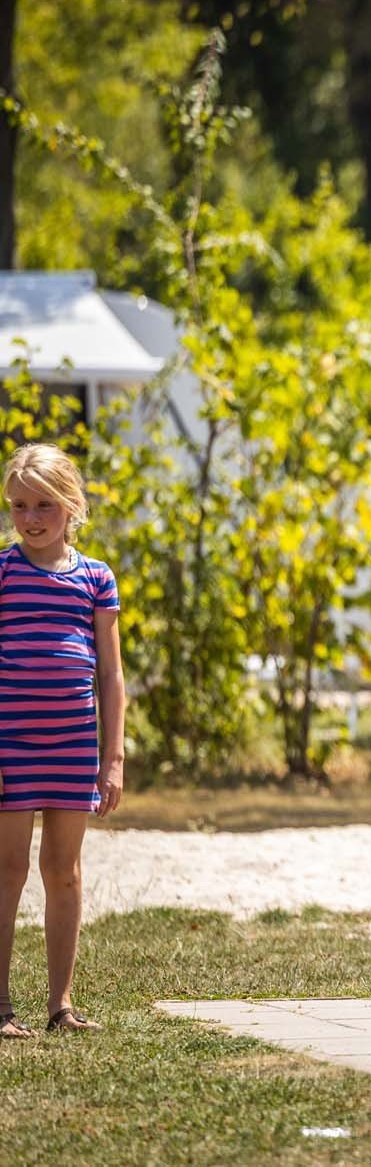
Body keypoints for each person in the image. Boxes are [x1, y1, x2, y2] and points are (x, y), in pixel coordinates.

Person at [0, 444, 125, 1037]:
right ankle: (0, 1006)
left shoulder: (96, 578)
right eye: (20, 505)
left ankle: (61, 1005)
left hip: (74, 745)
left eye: (44, 504)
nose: (31, 517)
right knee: (7, 871)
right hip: (11, 747)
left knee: (65, 871)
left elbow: (110, 672)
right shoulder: (2, 571)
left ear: (71, 504)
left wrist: (114, 757)